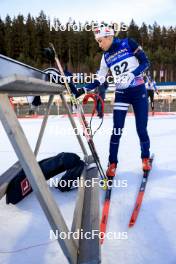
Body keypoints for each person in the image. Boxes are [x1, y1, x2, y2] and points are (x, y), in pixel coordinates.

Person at [74, 25, 151, 177]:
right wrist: (84, 89)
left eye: (100, 40)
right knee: (117, 131)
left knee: (141, 129)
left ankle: (145, 158)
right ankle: (113, 163)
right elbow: (100, 79)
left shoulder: (129, 43)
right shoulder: (105, 57)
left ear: (109, 37)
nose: (99, 44)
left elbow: (146, 63)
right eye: (97, 42)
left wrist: (133, 74)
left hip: (138, 92)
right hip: (122, 94)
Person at [6, 152, 85, 204]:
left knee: (70, 159)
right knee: (71, 159)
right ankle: (65, 183)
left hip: (15, 191)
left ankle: (65, 183)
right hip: (15, 192)